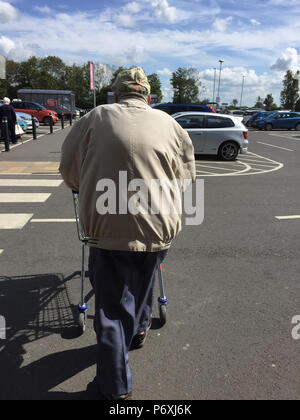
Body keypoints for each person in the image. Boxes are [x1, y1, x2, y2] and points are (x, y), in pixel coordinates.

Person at [59, 66, 196, 400]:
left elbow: (69, 168)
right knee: (144, 279)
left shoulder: (94, 118)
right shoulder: (171, 124)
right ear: (148, 97)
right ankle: (139, 327)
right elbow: (185, 178)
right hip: (158, 227)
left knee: (110, 309)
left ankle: (115, 389)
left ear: (117, 95)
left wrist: (84, 187)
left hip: (109, 228)